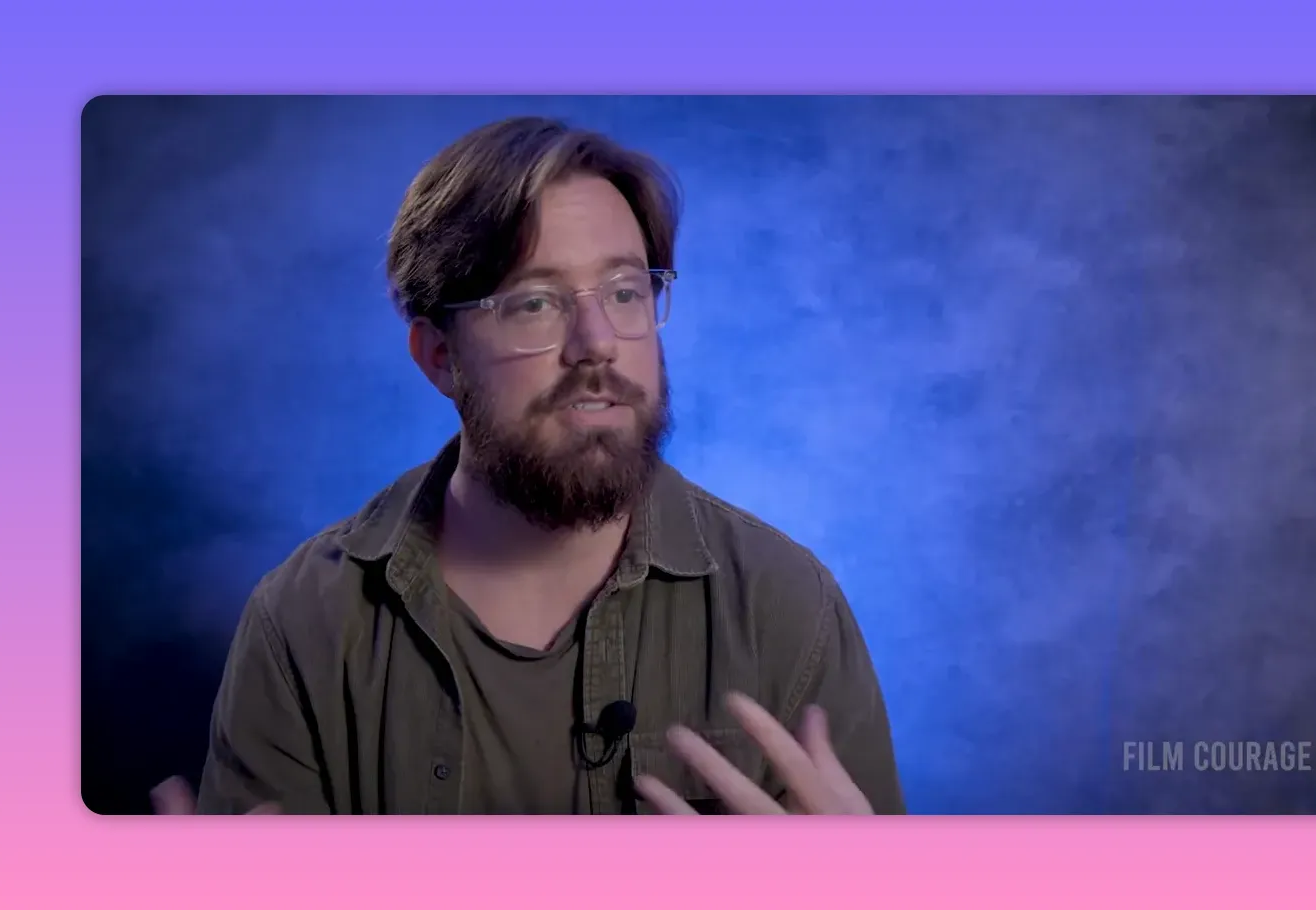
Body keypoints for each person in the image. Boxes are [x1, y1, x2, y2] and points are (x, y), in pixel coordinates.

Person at [153, 116, 905, 815]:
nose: (597, 342)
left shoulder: (786, 607)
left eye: (624, 291)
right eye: (534, 303)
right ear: (441, 357)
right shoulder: (304, 622)